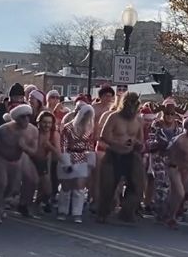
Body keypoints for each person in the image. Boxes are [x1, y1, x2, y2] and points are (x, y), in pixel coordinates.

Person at [97, 91, 145, 223]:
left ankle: (127, 211)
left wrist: (136, 144)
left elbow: (141, 140)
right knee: (108, 186)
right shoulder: (114, 117)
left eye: (134, 105)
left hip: (131, 155)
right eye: (130, 104)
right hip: (113, 154)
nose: (132, 108)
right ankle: (103, 212)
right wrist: (118, 143)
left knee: (137, 185)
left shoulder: (139, 120)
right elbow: (103, 136)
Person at [0, 104, 35, 224]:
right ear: (16, 118)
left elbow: (34, 150)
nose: (26, 120)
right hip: (1, 157)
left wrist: (25, 147)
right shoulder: (4, 129)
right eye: (23, 117)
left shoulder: (33, 130)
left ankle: (1, 205)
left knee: (12, 187)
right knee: (2, 183)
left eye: (28, 116)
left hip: (17, 160)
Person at [57, 102, 95, 224]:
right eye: (85, 115)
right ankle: (63, 210)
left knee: (79, 187)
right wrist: (65, 161)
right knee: (66, 187)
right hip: (69, 156)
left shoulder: (89, 129)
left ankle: (77, 213)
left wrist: (91, 162)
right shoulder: (68, 128)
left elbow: (90, 146)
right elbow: (63, 145)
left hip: (82, 158)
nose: (87, 118)